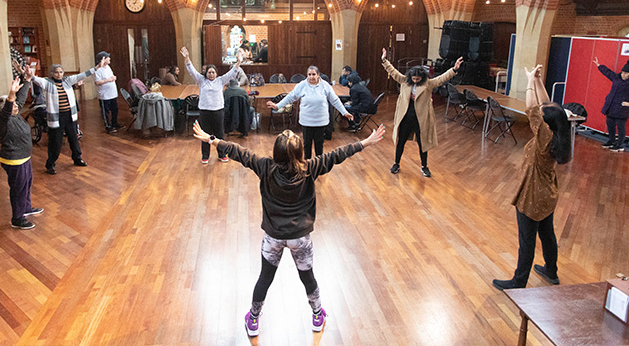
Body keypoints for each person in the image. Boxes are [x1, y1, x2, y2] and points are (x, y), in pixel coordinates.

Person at [191, 120, 385, 337]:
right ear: (300, 152)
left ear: (277, 152)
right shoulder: (310, 168)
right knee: (308, 277)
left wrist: (211, 139)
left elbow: (238, 152)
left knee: (265, 278)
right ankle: (317, 315)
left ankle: (253, 320)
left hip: (273, 238)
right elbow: (338, 154)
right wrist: (365, 142)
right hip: (300, 238)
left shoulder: (264, 167)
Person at [493, 64, 571, 290]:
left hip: (533, 196)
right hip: (547, 194)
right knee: (547, 234)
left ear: (547, 124)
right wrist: (536, 80)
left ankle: (518, 282)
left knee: (527, 241)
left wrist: (528, 83)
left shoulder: (545, 139)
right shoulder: (558, 133)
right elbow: (546, 107)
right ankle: (551, 271)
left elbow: (533, 110)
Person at [381, 48, 462, 177]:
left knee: (422, 143)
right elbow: (393, 71)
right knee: (400, 141)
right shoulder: (404, 81)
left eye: (418, 79)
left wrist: (454, 69)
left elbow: (441, 78)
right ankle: (396, 163)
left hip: (421, 118)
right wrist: (384, 60)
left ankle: (424, 166)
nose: (415, 81)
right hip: (405, 117)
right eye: (413, 79)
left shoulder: (428, 84)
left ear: (422, 77)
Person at [31, 57, 109, 174]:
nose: (59, 74)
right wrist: (25, 72)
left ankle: (77, 158)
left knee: (74, 138)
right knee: (55, 142)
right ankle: (50, 164)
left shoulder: (67, 81)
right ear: (52, 73)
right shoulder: (47, 83)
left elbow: (83, 75)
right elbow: (34, 79)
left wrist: (97, 67)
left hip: (69, 116)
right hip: (56, 117)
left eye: (61, 72)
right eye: (56, 72)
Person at [0, 69, 43, 230]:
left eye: (14, 105)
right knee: (18, 188)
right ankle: (17, 218)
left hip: (23, 157)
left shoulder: (15, 114)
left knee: (26, 183)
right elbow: (9, 107)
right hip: (14, 159)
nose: (15, 106)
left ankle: (26, 208)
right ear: (2, 109)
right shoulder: (4, 121)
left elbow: (20, 100)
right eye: (11, 104)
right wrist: (10, 94)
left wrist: (27, 80)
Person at [267, 66, 353, 159]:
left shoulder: (325, 85)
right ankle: (307, 165)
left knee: (319, 145)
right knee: (307, 145)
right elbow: (290, 97)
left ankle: (319, 165)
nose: (311, 77)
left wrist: (344, 112)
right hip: (306, 121)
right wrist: (277, 106)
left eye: (313, 74)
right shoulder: (302, 85)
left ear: (318, 75)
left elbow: (335, 100)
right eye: (309, 74)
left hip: (321, 122)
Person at [181, 46, 242, 163]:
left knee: (219, 134)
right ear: (206, 73)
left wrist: (239, 62)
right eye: (209, 72)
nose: (211, 74)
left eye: (213, 72)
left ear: (216, 73)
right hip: (204, 112)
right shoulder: (201, 80)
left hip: (218, 111)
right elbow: (191, 70)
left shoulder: (221, 80)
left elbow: (232, 73)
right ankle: (205, 156)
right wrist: (187, 58)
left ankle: (222, 154)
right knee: (205, 135)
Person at [593, 57, 629, 152]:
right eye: (623, 72)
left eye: (626, 73)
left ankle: (620, 145)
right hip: (611, 106)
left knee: (621, 127)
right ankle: (612, 141)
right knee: (610, 124)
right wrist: (599, 65)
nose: (623, 75)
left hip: (622, 109)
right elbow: (608, 72)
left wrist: (628, 104)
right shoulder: (616, 78)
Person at [94, 51, 124, 134]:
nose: (109, 58)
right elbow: (97, 82)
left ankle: (115, 123)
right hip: (104, 95)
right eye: (107, 57)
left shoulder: (108, 67)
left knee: (115, 109)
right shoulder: (98, 70)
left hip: (112, 93)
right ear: (103, 59)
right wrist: (108, 80)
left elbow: (110, 76)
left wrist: (113, 77)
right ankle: (108, 126)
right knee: (105, 112)